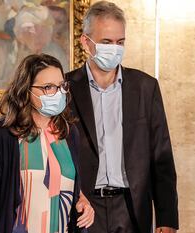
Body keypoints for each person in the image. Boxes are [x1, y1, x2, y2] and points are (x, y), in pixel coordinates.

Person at [65, 1, 178, 233]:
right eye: (106, 42)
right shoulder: (65, 89)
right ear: (86, 42)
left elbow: (162, 157)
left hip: (132, 207)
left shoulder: (146, 88)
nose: (114, 49)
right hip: (83, 208)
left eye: (120, 42)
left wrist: (167, 220)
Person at [0, 54, 94, 233]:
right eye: (48, 87)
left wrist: (83, 200)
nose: (58, 93)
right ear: (26, 89)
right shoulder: (3, 134)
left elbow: (69, 184)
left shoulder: (68, 132)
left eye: (61, 86)